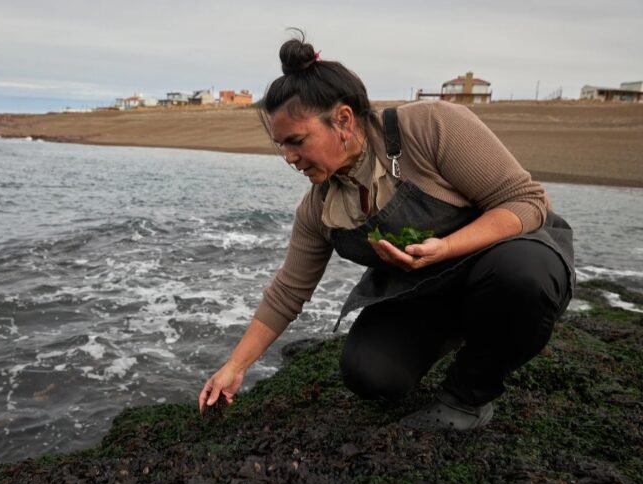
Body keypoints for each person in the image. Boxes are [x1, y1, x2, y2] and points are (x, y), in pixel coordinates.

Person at [198, 32, 574, 430]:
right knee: (370, 373)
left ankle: (468, 397)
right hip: (428, 293)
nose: (289, 157)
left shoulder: (430, 127)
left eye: (297, 141)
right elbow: (288, 292)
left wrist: (444, 247)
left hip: (508, 260)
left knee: (523, 277)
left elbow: (526, 201)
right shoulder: (319, 208)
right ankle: (464, 331)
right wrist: (234, 368)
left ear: (342, 119)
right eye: (282, 146)